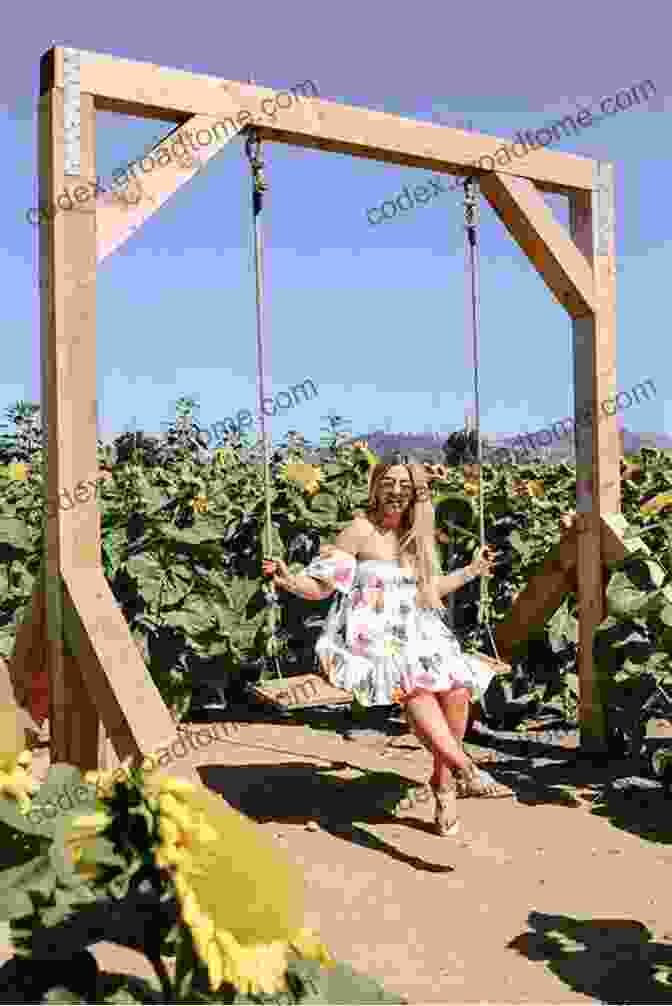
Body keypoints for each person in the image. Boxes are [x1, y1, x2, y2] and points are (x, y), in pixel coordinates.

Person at [262, 460, 514, 838]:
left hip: (416, 631)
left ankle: (444, 785)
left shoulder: (416, 536)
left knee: (458, 689)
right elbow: (322, 588)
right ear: (375, 487)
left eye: (405, 485)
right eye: (389, 483)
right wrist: (288, 580)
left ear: (414, 493)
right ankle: (466, 769)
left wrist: (472, 571)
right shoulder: (359, 532)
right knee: (412, 684)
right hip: (367, 636)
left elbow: (428, 593)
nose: (397, 491)